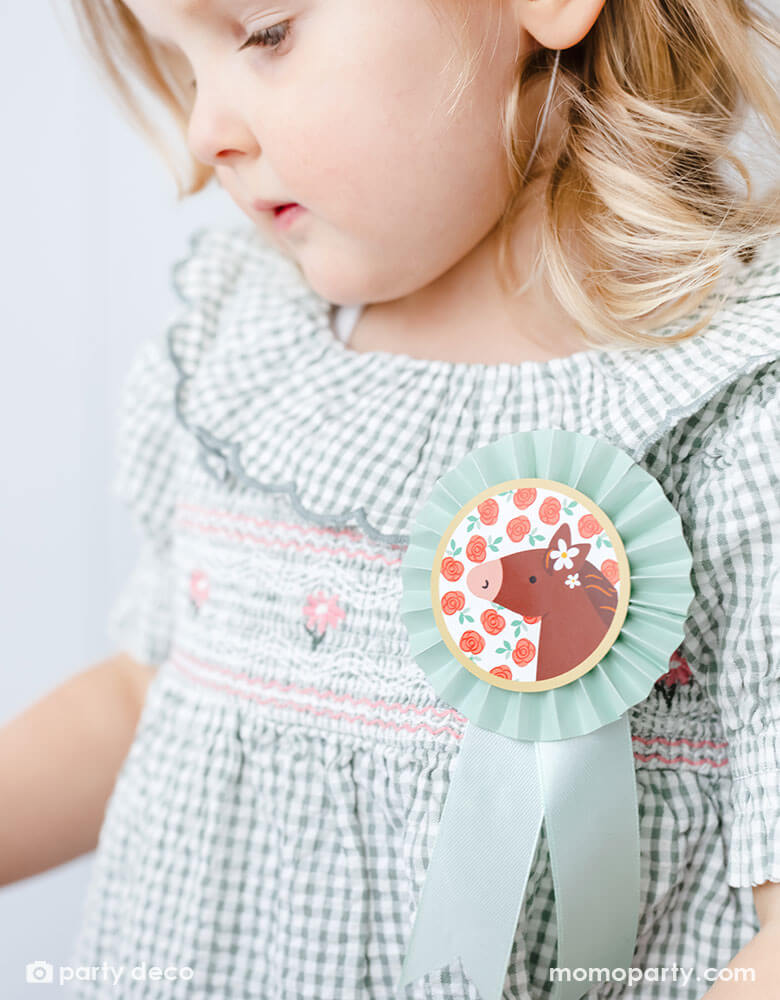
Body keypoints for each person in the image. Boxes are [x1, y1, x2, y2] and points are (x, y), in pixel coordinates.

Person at [1, 0, 779, 997]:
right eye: (183, 68)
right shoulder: (236, 359)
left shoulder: (732, 418)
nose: (203, 132)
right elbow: (150, 690)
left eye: (266, 33)